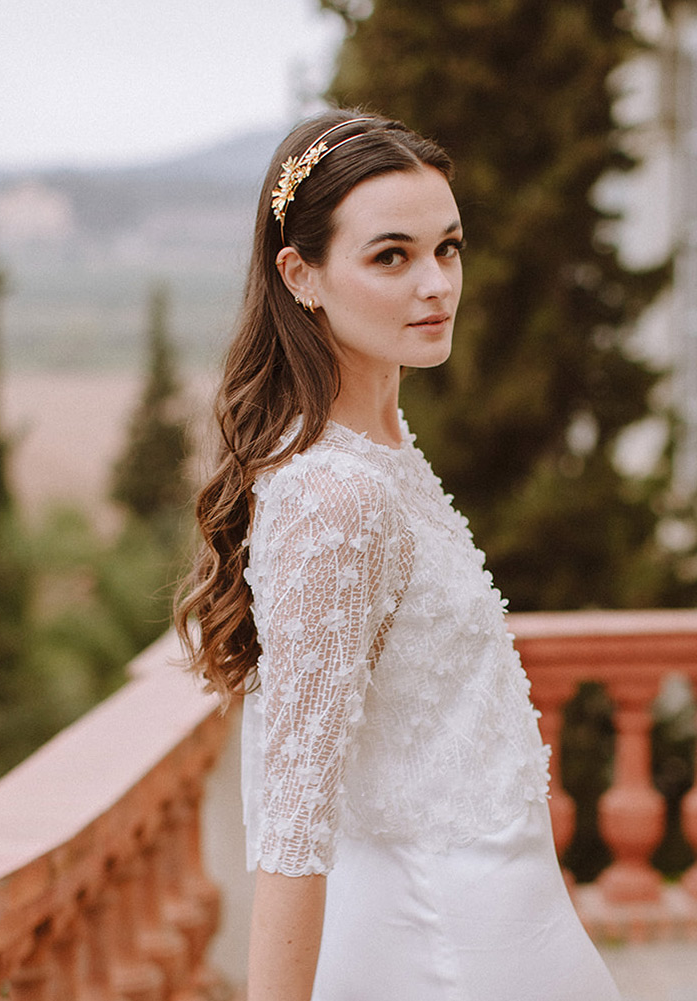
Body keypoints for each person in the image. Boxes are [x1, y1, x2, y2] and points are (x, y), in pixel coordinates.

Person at [176, 109, 621, 1001]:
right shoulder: (335, 497)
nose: (436, 284)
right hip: (445, 953)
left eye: (447, 248)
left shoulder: (383, 448)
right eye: (391, 256)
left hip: (514, 934)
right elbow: (295, 823)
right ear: (301, 276)